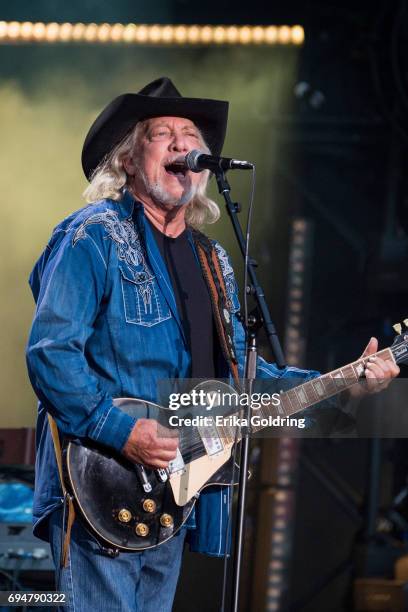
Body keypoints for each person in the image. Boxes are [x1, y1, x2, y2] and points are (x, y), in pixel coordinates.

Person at [25, 77, 399, 611]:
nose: (183, 144)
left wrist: (344, 386)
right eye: (163, 134)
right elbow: (50, 353)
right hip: (103, 483)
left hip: (174, 491)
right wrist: (124, 432)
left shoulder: (213, 261)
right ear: (129, 160)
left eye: (191, 133)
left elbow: (246, 383)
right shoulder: (93, 236)